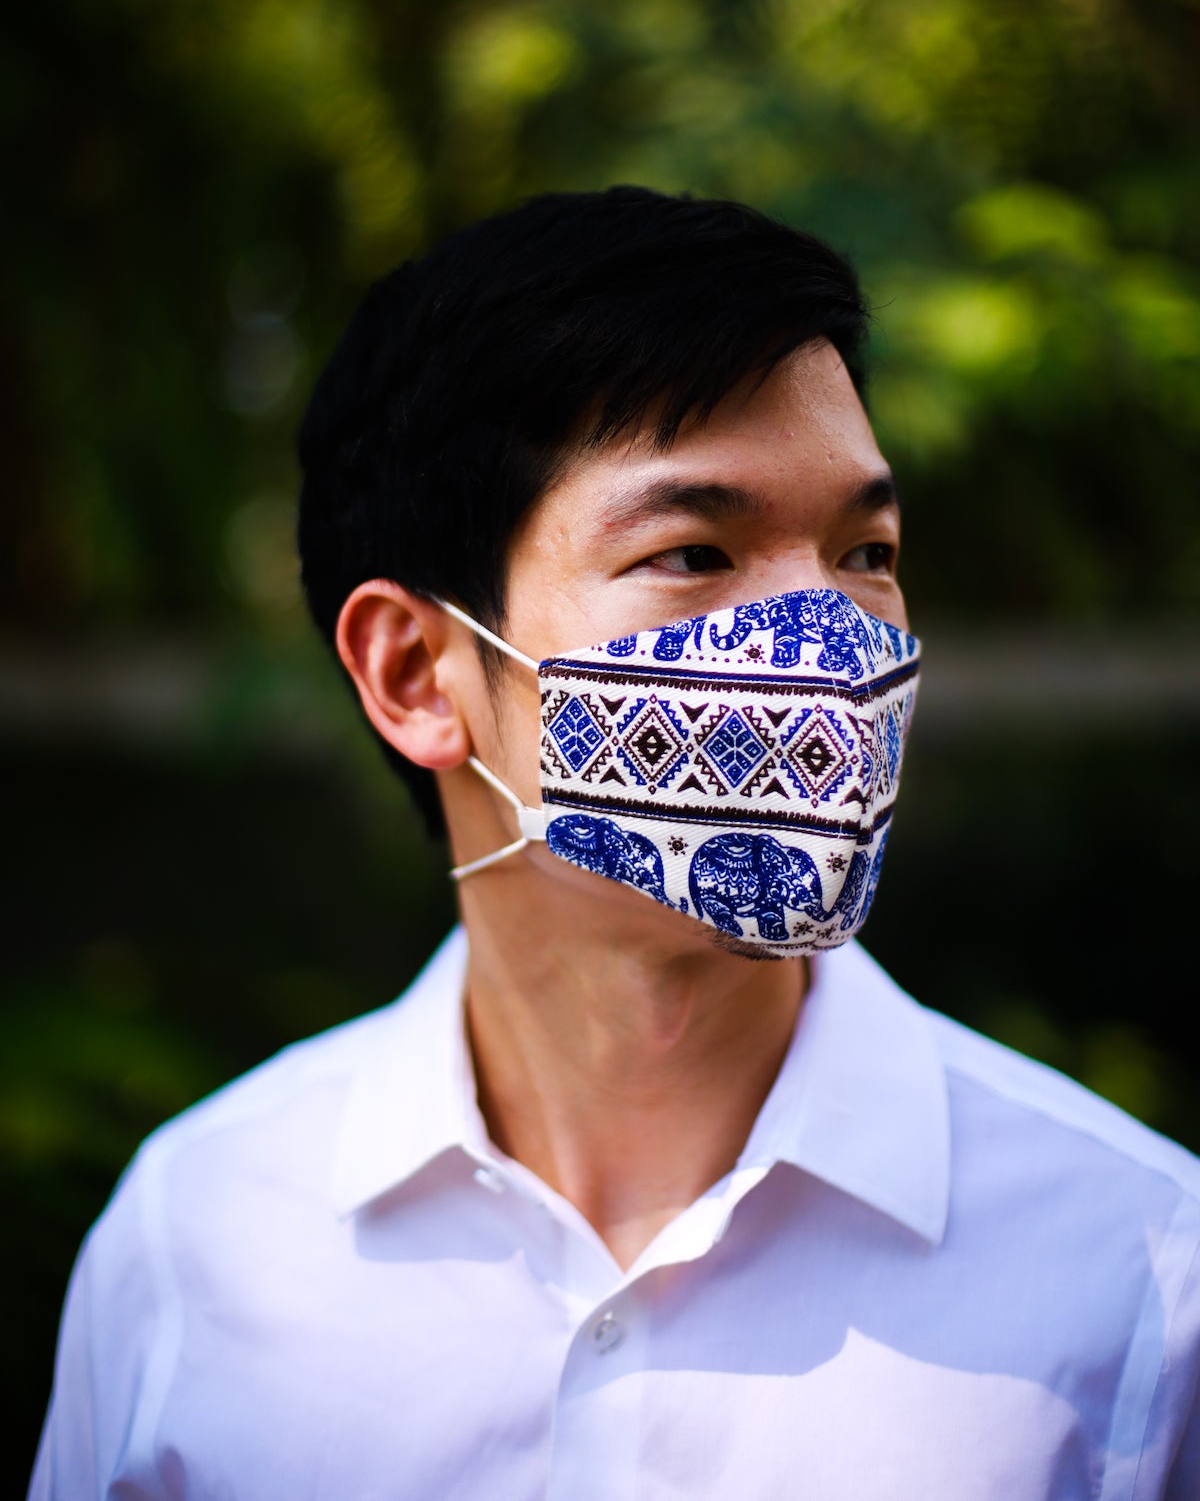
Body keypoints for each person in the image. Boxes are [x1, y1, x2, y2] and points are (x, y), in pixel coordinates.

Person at [31, 187, 1200, 1498]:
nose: (828, 638)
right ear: (416, 672)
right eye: (693, 553)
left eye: (865, 551)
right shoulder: (197, 1246)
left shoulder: (1142, 1277)